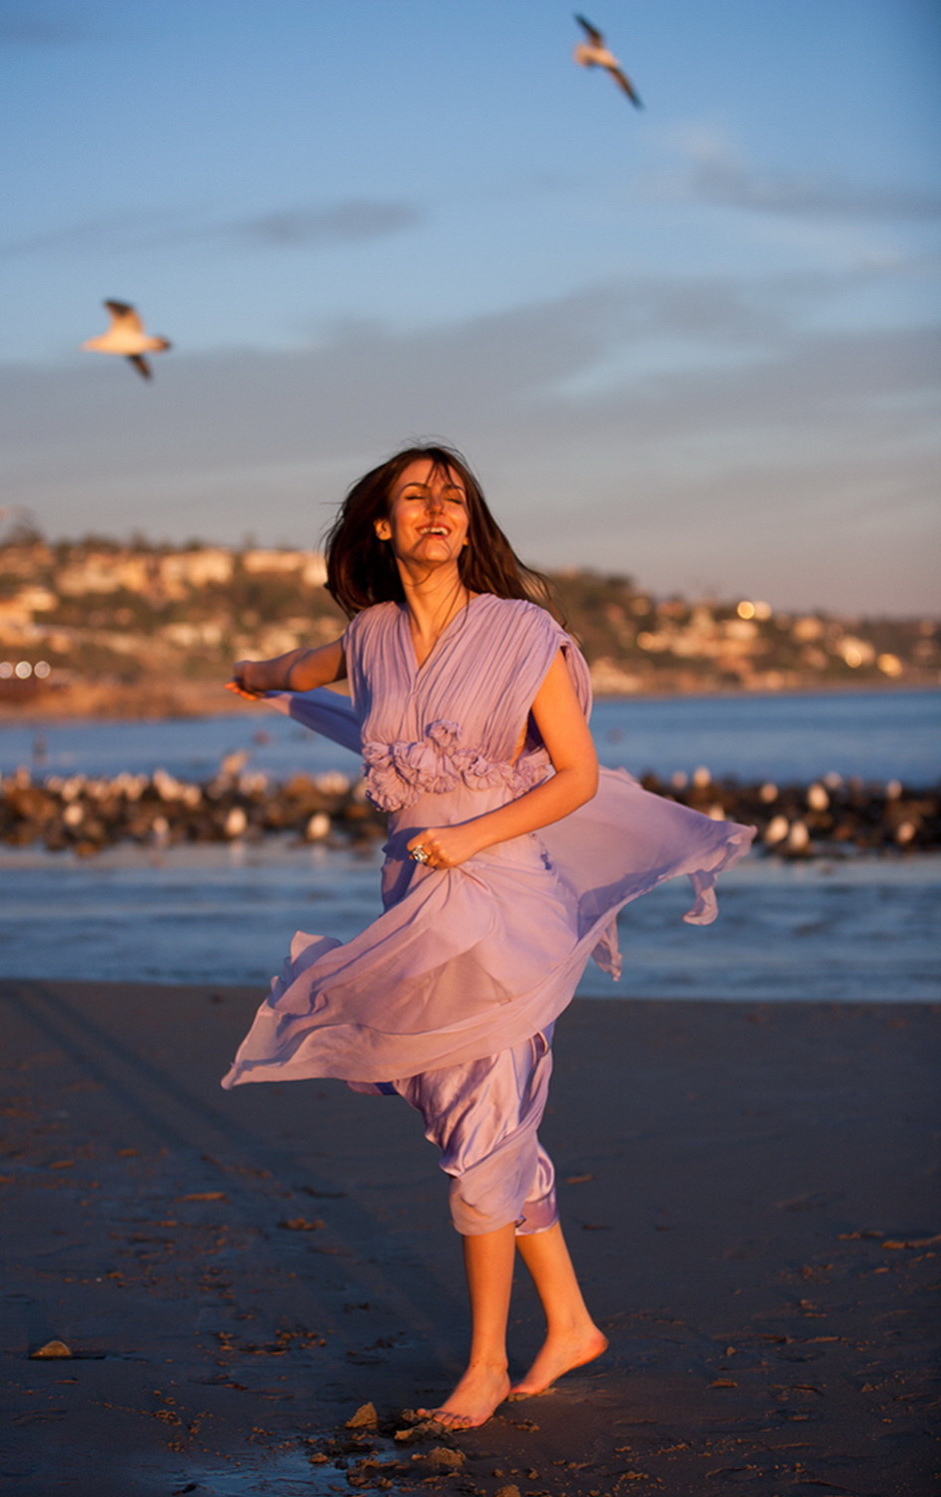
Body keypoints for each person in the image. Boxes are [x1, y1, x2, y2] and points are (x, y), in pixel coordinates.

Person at [222, 444, 753, 1429]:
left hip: (505, 902)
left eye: (453, 496)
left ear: (468, 524)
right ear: (383, 526)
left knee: (480, 1135)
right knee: (468, 1112)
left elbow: (577, 777)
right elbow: (310, 664)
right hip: (412, 907)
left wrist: (467, 835)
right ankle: (571, 1324)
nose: (438, 507)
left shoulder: (522, 633)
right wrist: (254, 675)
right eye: (416, 495)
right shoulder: (371, 632)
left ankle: (481, 1369)